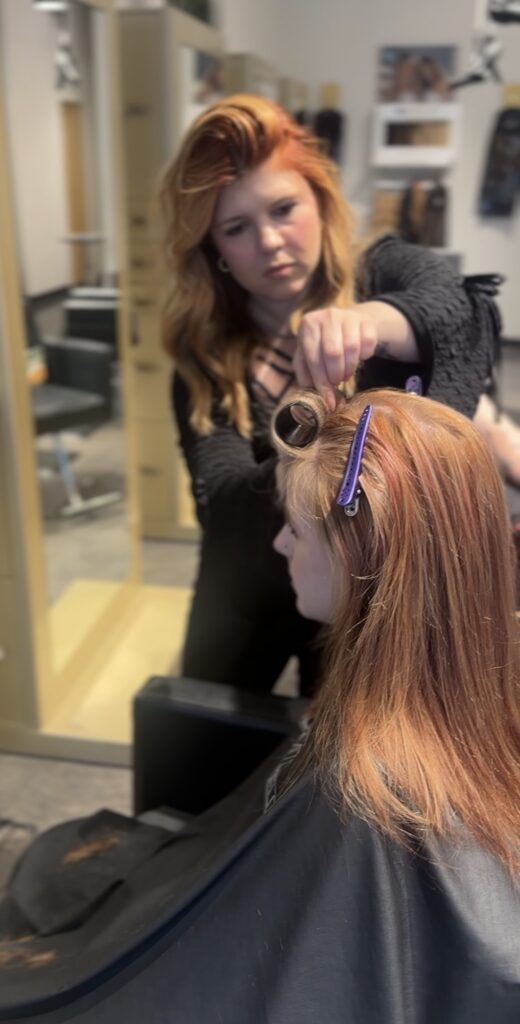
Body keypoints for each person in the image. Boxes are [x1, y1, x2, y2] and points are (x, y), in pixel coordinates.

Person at [160, 94, 500, 695]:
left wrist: (374, 322)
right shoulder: (208, 365)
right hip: (244, 589)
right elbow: (226, 507)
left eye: (284, 209)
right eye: (238, 228)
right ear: (216, 254)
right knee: (200, 749)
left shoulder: (386, 270)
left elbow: (467, 313)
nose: (270, 242)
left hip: (368, 595)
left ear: (320, 199)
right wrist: (324, 428)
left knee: (351, 757)